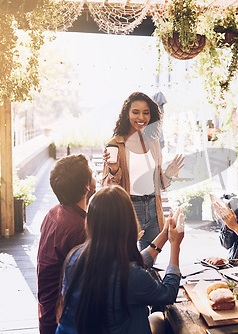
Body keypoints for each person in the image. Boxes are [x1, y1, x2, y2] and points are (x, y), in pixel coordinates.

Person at [56, 185, 184, 334]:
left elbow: (124, 268)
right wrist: (175, 246)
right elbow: (167, 294)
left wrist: (164, 235)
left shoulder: (75, 257)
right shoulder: (130, 276)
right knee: (160, 319)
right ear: (128, 223)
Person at [102, 92, 184, 251]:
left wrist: (169, 174)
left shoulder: (153, 144)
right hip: (128, 208)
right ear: (127, 114)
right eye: (135, 112)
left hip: (153, 208)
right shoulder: (115, 145)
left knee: (150, 257)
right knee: (127, 259)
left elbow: (160, 185)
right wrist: (114, 169)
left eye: (146, 113)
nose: (141, 117)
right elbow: (107, 189)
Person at [37, 154, 96, 334]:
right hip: (64, 319)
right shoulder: (79, 229)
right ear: (86, 186)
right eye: (92, 174)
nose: (95, 178)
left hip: (47, 311)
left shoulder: (54, 213)